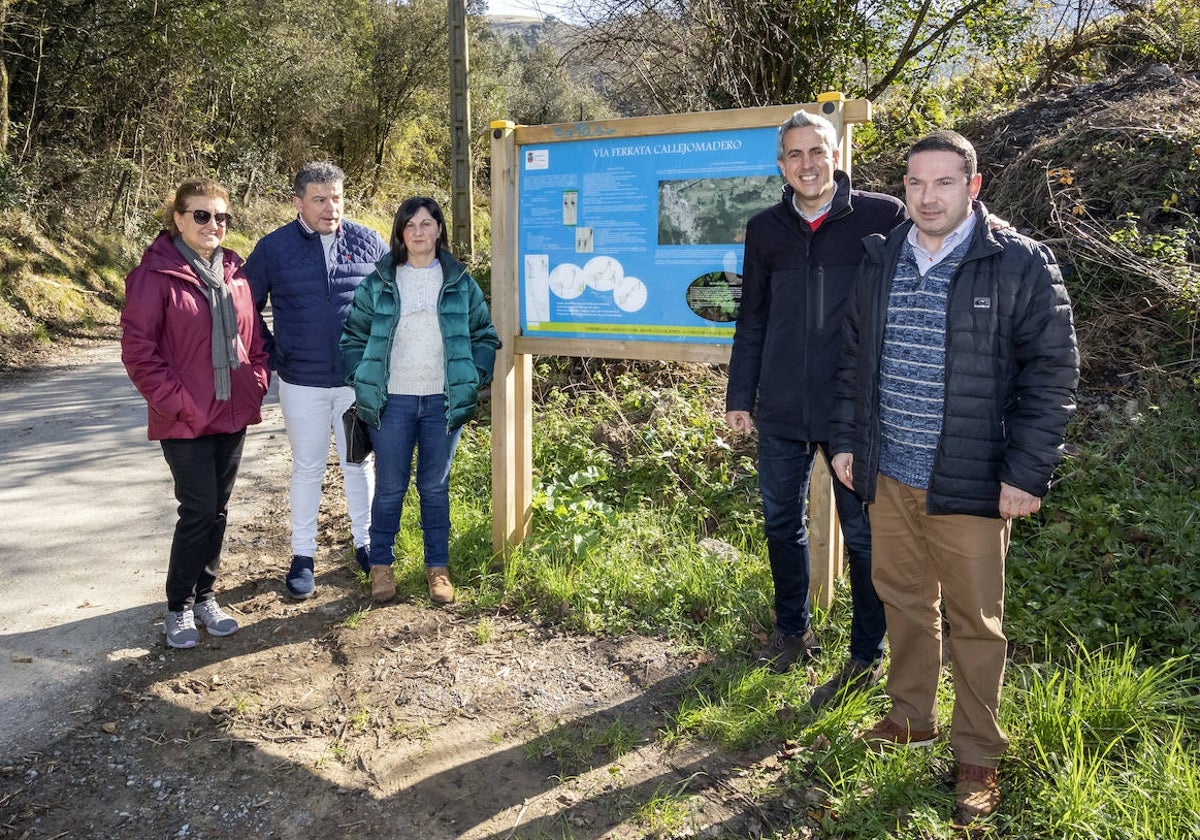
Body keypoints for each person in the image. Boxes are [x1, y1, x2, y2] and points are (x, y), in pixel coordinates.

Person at [829, 130, 1078, 827]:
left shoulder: (1019, 264)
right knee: (904, 601)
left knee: (976, 623)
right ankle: (912, 715)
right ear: (903, 189)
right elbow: (853, 363)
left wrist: (1026, 472)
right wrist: (849, 442)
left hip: (971, 478)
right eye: (915, 183)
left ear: (974, 186)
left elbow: (1053, 375)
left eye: (943, 182)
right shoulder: (881, 259)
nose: (927, 196)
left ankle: (978, 756)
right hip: (891, 474)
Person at [725, 110, 905, 706]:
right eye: (794, 155)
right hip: (779, 405)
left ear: (836, 155)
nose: (807, 164)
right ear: (781, 165)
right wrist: (739, 397)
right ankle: (792, 631)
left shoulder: (882, 217)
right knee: (781, 522)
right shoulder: (764, 230)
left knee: (863, 535)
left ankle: (866, 653)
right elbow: (750, 319)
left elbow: (930, 260)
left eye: (816, 152)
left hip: (851, 408)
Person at [121, 178, 270, 649]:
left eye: (221, 217)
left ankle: (206, 596)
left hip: (231, 411)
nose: (213, 224)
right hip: (184, 416)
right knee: (199, 509)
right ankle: (178, 607)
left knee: (218, 510)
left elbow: (255, 339)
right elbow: (139, 351)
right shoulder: (154, 275)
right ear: (179, 218)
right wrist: (177, 403)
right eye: (202, 215)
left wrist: (257, 380)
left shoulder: (236, 273)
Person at [340, 197, 499, 605]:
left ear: (439, 230)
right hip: (392, 403)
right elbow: (352, 337)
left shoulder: (460, 281)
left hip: (442, 403)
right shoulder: (379, 281)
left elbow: (484, 335)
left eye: (427, 223)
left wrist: (473, 377)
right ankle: (381, 566)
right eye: (410, 224)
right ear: (399, 232)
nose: (418, 231)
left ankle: (437, 568)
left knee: (434, 487)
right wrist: (363, 379)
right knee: (390, 487)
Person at [244, 162, 389, 600]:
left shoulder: (368, 241)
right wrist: (273, 353)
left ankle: (366, 546)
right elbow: (245, 307)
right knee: (307, 468)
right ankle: (302, 556)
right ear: (299, 202)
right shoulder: (273, 248)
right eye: (320, 199)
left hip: (354, 383)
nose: (331, 208)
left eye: (337, 198)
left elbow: (393, 302)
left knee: (358, 464)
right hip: (302, 383)